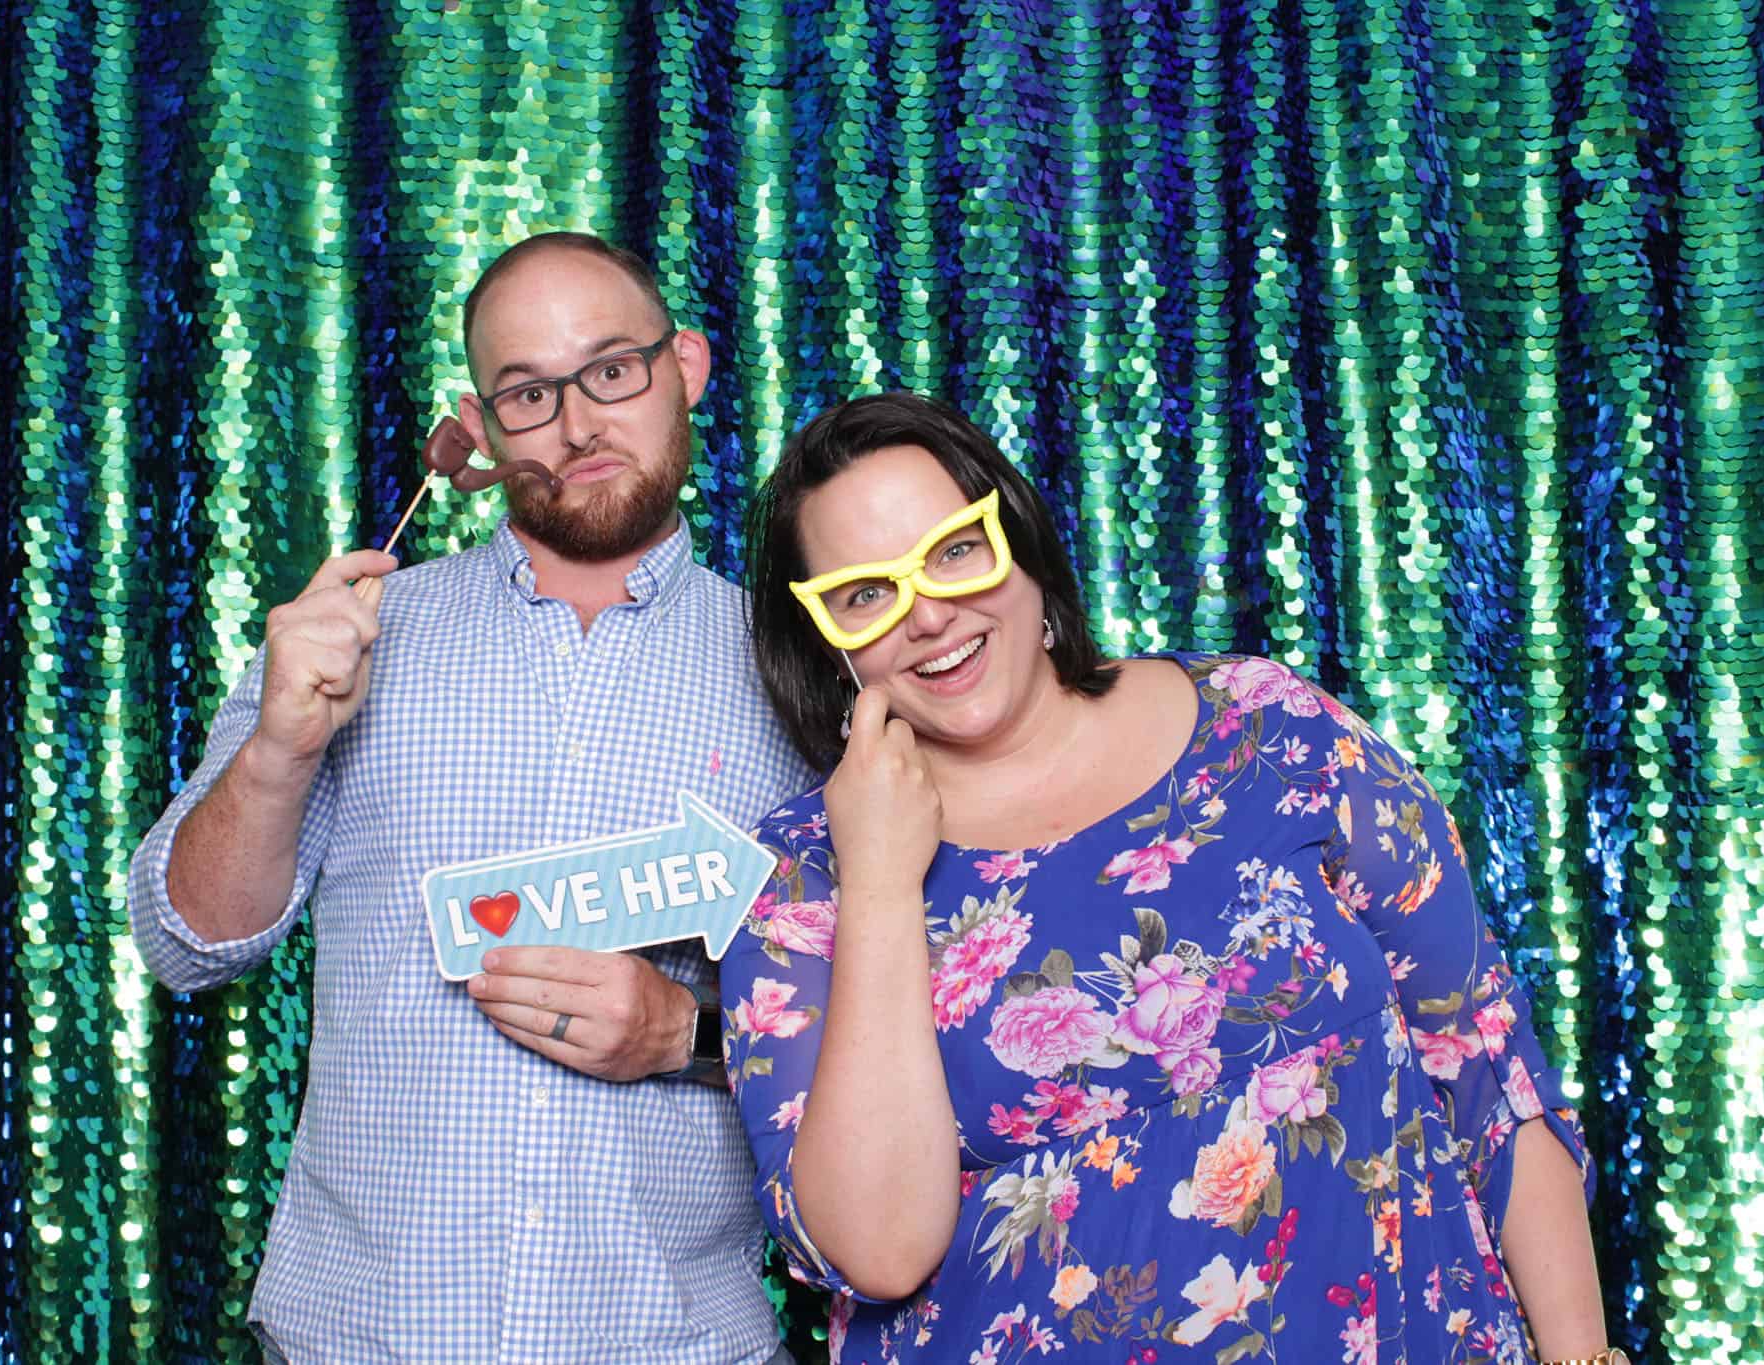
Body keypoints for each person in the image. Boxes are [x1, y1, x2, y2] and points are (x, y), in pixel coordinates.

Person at [727, 391, 1619, 1364]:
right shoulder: (800, 886)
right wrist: (884, 882)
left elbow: (1482, 1058)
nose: (927, 613)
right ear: (824, 641)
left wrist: (1580, 1355)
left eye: (952, 549)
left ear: (1017, 538)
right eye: (863, 594)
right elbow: (876, 1251)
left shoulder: (1266, 725)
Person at [128, 231, 813, 1364]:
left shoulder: (796, 668)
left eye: (612, 370)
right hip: (363, 1337)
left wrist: (685, 1035)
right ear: (481, 430)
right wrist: (277, 752)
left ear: (683, 366)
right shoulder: (353, 637)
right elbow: (186, 944)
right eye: (528, 392)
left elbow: (895, 1026)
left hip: (678, 1341)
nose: (579, 423)